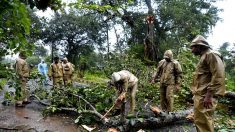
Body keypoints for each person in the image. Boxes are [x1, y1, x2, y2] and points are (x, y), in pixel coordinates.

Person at [190, 35, 225, 132]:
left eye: (193, 47)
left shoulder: (211, 55)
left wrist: (209, 95)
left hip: (205, 95)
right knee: (201, 121)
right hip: (201, 95)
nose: (192, 50)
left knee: (204, 123)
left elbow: (218, 75)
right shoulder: (204, 56)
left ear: (200, 46)